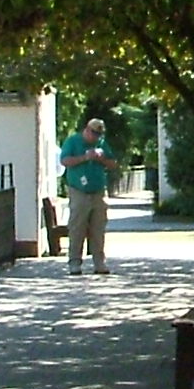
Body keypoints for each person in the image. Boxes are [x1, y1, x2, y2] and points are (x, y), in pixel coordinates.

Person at [58, 115, 114, 272]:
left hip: (98, 191)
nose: (96, 137)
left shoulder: (102, 144)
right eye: (94, 134)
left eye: (99, 135)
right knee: (77, 227)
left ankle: (99, 263)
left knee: (98, 228)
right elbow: (64, 161)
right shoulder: (73, 141)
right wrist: (85, 157)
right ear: (87, 130)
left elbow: (112, 163)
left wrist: (101, 159)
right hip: (78, 190)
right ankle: (74, 263)